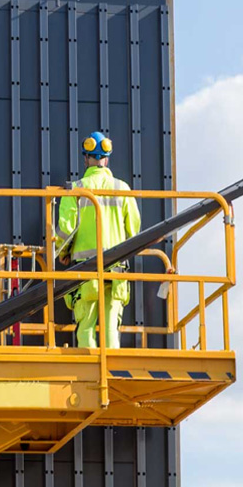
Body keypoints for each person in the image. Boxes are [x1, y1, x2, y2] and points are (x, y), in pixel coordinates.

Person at [57, 132, 141, 349]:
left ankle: (87, 372)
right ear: (107, 158)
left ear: (86, 158)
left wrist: (63, 253)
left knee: (85, 325)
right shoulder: (122, 188)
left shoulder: (76, 189)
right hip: (116, 268)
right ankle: (110, 368)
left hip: (85, 270)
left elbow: (65, 230)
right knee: (111, 325)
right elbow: (134, 229)